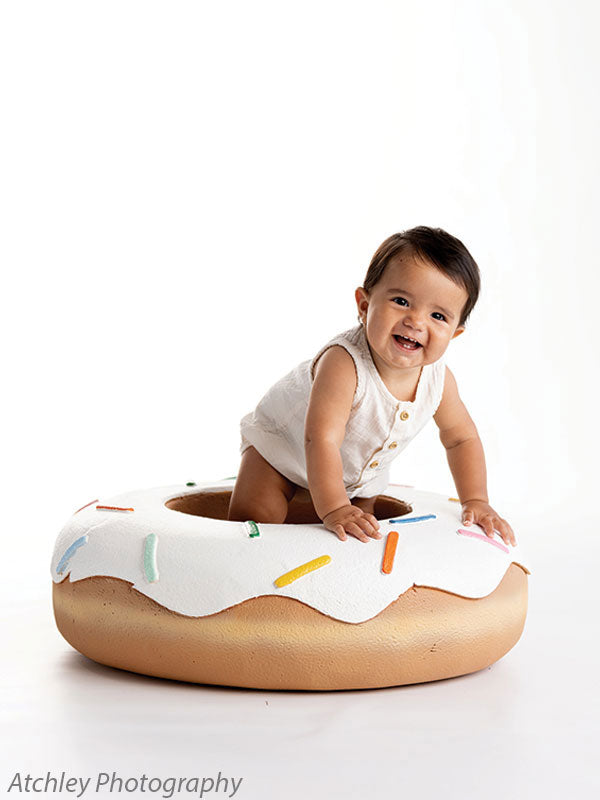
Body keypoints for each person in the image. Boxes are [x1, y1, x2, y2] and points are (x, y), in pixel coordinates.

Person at [228, 226, 516, 548]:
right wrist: (336, 507)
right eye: (401, 301)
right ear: (364, 306)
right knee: (255, 515)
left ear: (455, 334)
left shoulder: (439, 380)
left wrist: (476, 499)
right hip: (282, 451)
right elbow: (320, 438)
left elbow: (461, 438)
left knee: (362, 537)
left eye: (437, 315)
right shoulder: (344, 365)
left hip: (358, 476)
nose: (416, 322)